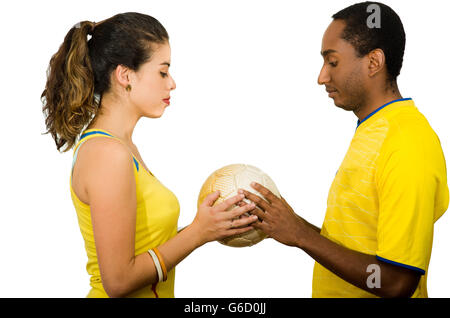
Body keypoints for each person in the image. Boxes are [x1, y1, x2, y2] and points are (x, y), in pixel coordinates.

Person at [41, 12, 258, 298]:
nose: (172, 83)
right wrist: (198, 233)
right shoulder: (107, 155)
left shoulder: (121, 147)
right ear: (125, 75)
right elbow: (117, 282)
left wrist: (209, 224)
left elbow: (144, 245)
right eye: (163, 71)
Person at [240, 2, 449, 298]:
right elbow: (356, 246)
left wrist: (301, 237)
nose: (322, 77)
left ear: (374, 62)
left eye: (333, 62)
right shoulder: (375, 128)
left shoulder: (406, 142)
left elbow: (397, 282)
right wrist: (291, 224)